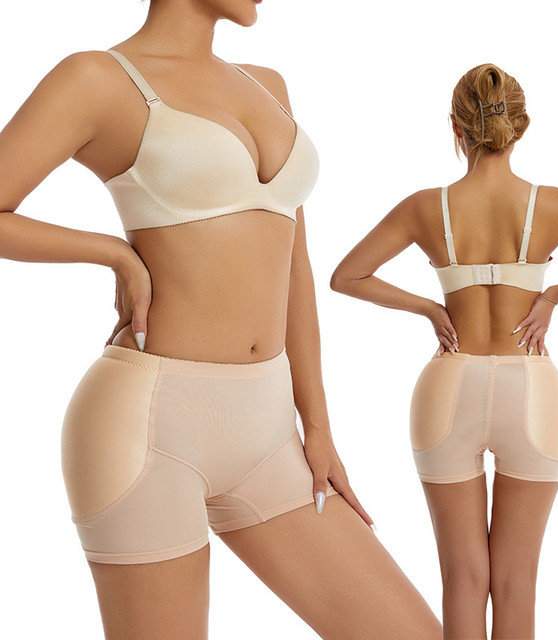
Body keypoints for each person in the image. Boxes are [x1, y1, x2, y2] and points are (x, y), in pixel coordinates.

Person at [0, 1, 442, 638]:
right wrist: (113, 253)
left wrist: (318, 426)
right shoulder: (98, 78)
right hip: (150, 427)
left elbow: (296, 265)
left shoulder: (268, 85)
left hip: (270, 433)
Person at [330, 62, 558, 639]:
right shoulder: (556, 205)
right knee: (518, 580)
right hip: (533, 389)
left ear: (456, 125)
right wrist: (554, 295)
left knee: (463, 578)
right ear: (521, 126)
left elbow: (347, 276)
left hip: (449, 386)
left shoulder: (427, 207)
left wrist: (429, 308)